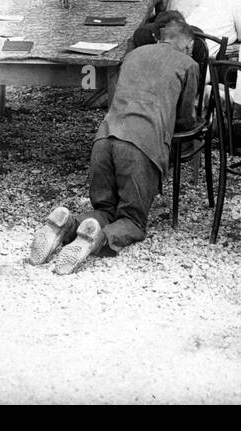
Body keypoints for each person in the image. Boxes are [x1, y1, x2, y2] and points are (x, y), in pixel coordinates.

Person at [30, 18, 198, 273]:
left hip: (105, 139)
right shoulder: (188, 64)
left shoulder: (131, 56)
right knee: (132, 220)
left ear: (161, 38)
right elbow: (185, 121)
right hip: (140, 146)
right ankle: (98, 240)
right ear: (189, 44)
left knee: (105, 209)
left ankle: (68, 224)